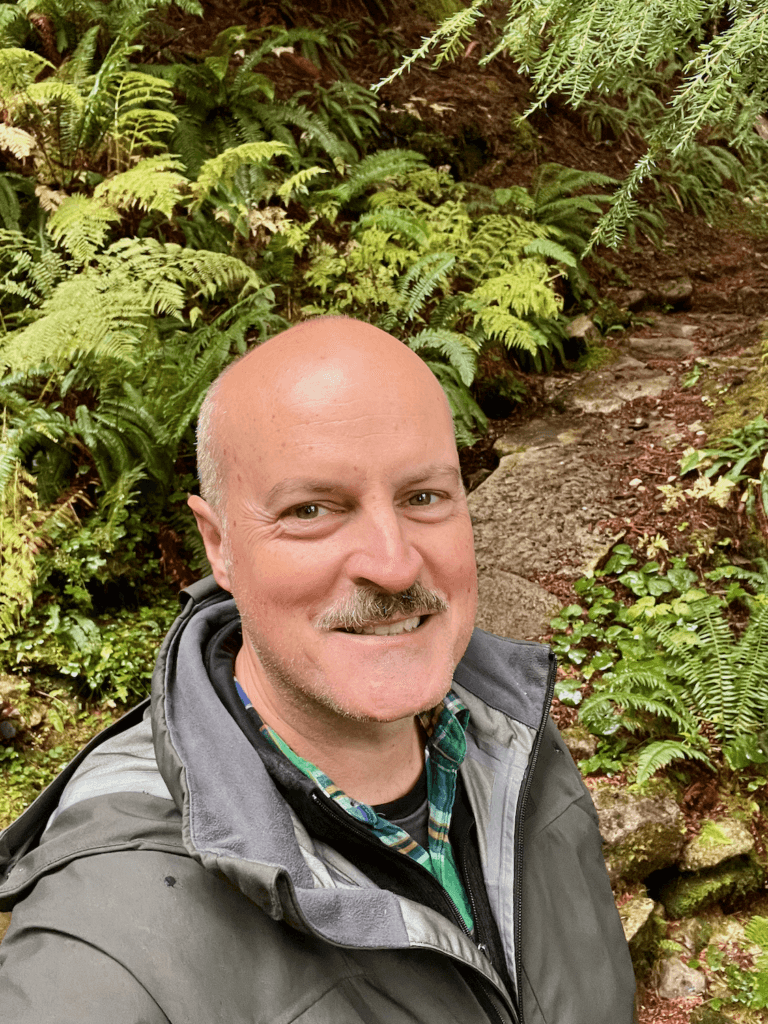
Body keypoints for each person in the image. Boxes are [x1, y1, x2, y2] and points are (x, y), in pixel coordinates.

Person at [0, 317, 636, 1023]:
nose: (393, 564)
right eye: (311, 511)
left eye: (423, 496)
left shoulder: (512, 739)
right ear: (220, 546)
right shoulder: (108, 937)